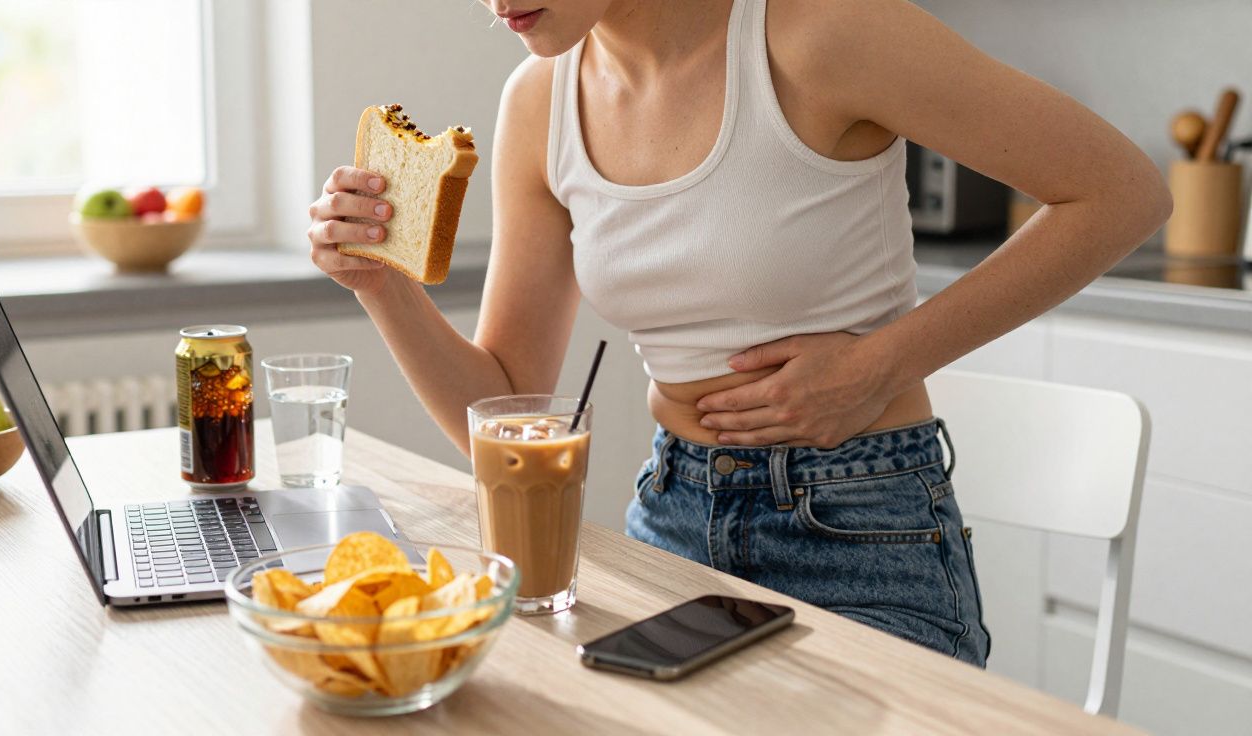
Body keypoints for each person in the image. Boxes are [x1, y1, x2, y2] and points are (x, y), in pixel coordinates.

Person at [306, 0, 1171, 667]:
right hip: (674, 521)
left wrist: (883, 363)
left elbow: (1122, 193)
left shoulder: (821, 32)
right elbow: (496, 407)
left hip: (861, 527)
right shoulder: (539, 101)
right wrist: (377, 283)